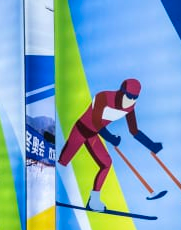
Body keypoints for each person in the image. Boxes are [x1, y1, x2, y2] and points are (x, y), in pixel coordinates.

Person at [57, 78, 162, 211]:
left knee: (106, 163)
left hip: (93, 136)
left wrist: (152, 145)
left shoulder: (130, 107)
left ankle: (93, 201)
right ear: (121, 92)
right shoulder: (104, 97)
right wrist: (111, 138)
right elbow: (96, 122)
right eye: (129, 96)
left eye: (135, 97)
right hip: (81, 130)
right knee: (63, 162)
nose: (131, 100)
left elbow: (134, 131)